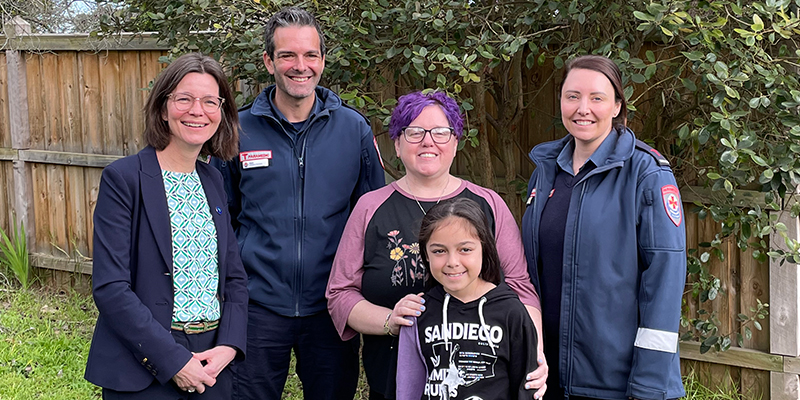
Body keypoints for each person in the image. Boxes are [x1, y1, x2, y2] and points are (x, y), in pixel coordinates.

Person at [327, 90, 548, 400]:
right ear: (398, 143)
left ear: (455, 142)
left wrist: (534, 353)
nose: (428, 141)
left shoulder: (489, 205)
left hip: (483, 386)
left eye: (441, 132)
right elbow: (340, 294)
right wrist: (390, 321)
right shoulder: (370, 207)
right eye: (414, 132)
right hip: (393, 380)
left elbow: (519, 287)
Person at [212, 6, 385, 400]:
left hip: (331, 306)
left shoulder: (353, 128)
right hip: (257, 306)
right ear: (268, 61)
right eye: (287, 55)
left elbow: (371, 214)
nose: (300, 66)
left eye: (310, 55)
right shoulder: (238, 129)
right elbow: (224, 214)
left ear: (323, 60)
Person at [521, 55, 687, 400]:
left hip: (615, 385)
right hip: (545, 377)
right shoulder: (545, 171)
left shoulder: (647, 174)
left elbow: (664, 283)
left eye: (597, 98)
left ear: (617, 106)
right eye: (572, 96)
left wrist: (650, 386)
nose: (583, 108)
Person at [84, 52, 248, 399]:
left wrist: (230, 345)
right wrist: (172, 361)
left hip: (212, 363)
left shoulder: (213, 180)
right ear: (163, 108)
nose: (197, 111)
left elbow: (233, 277)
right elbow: (111, 288)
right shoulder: (124, 179)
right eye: (184, 99)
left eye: (209, 101)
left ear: (222, 112)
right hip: (144, 366)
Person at [396, 198, 539, 400]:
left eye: (465, 249)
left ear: (484, 248)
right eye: (439, 251)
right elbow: (407, 389)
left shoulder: (511, 311)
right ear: (426, 255)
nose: (452, 262)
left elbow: (527, 386)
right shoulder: (418, 312)